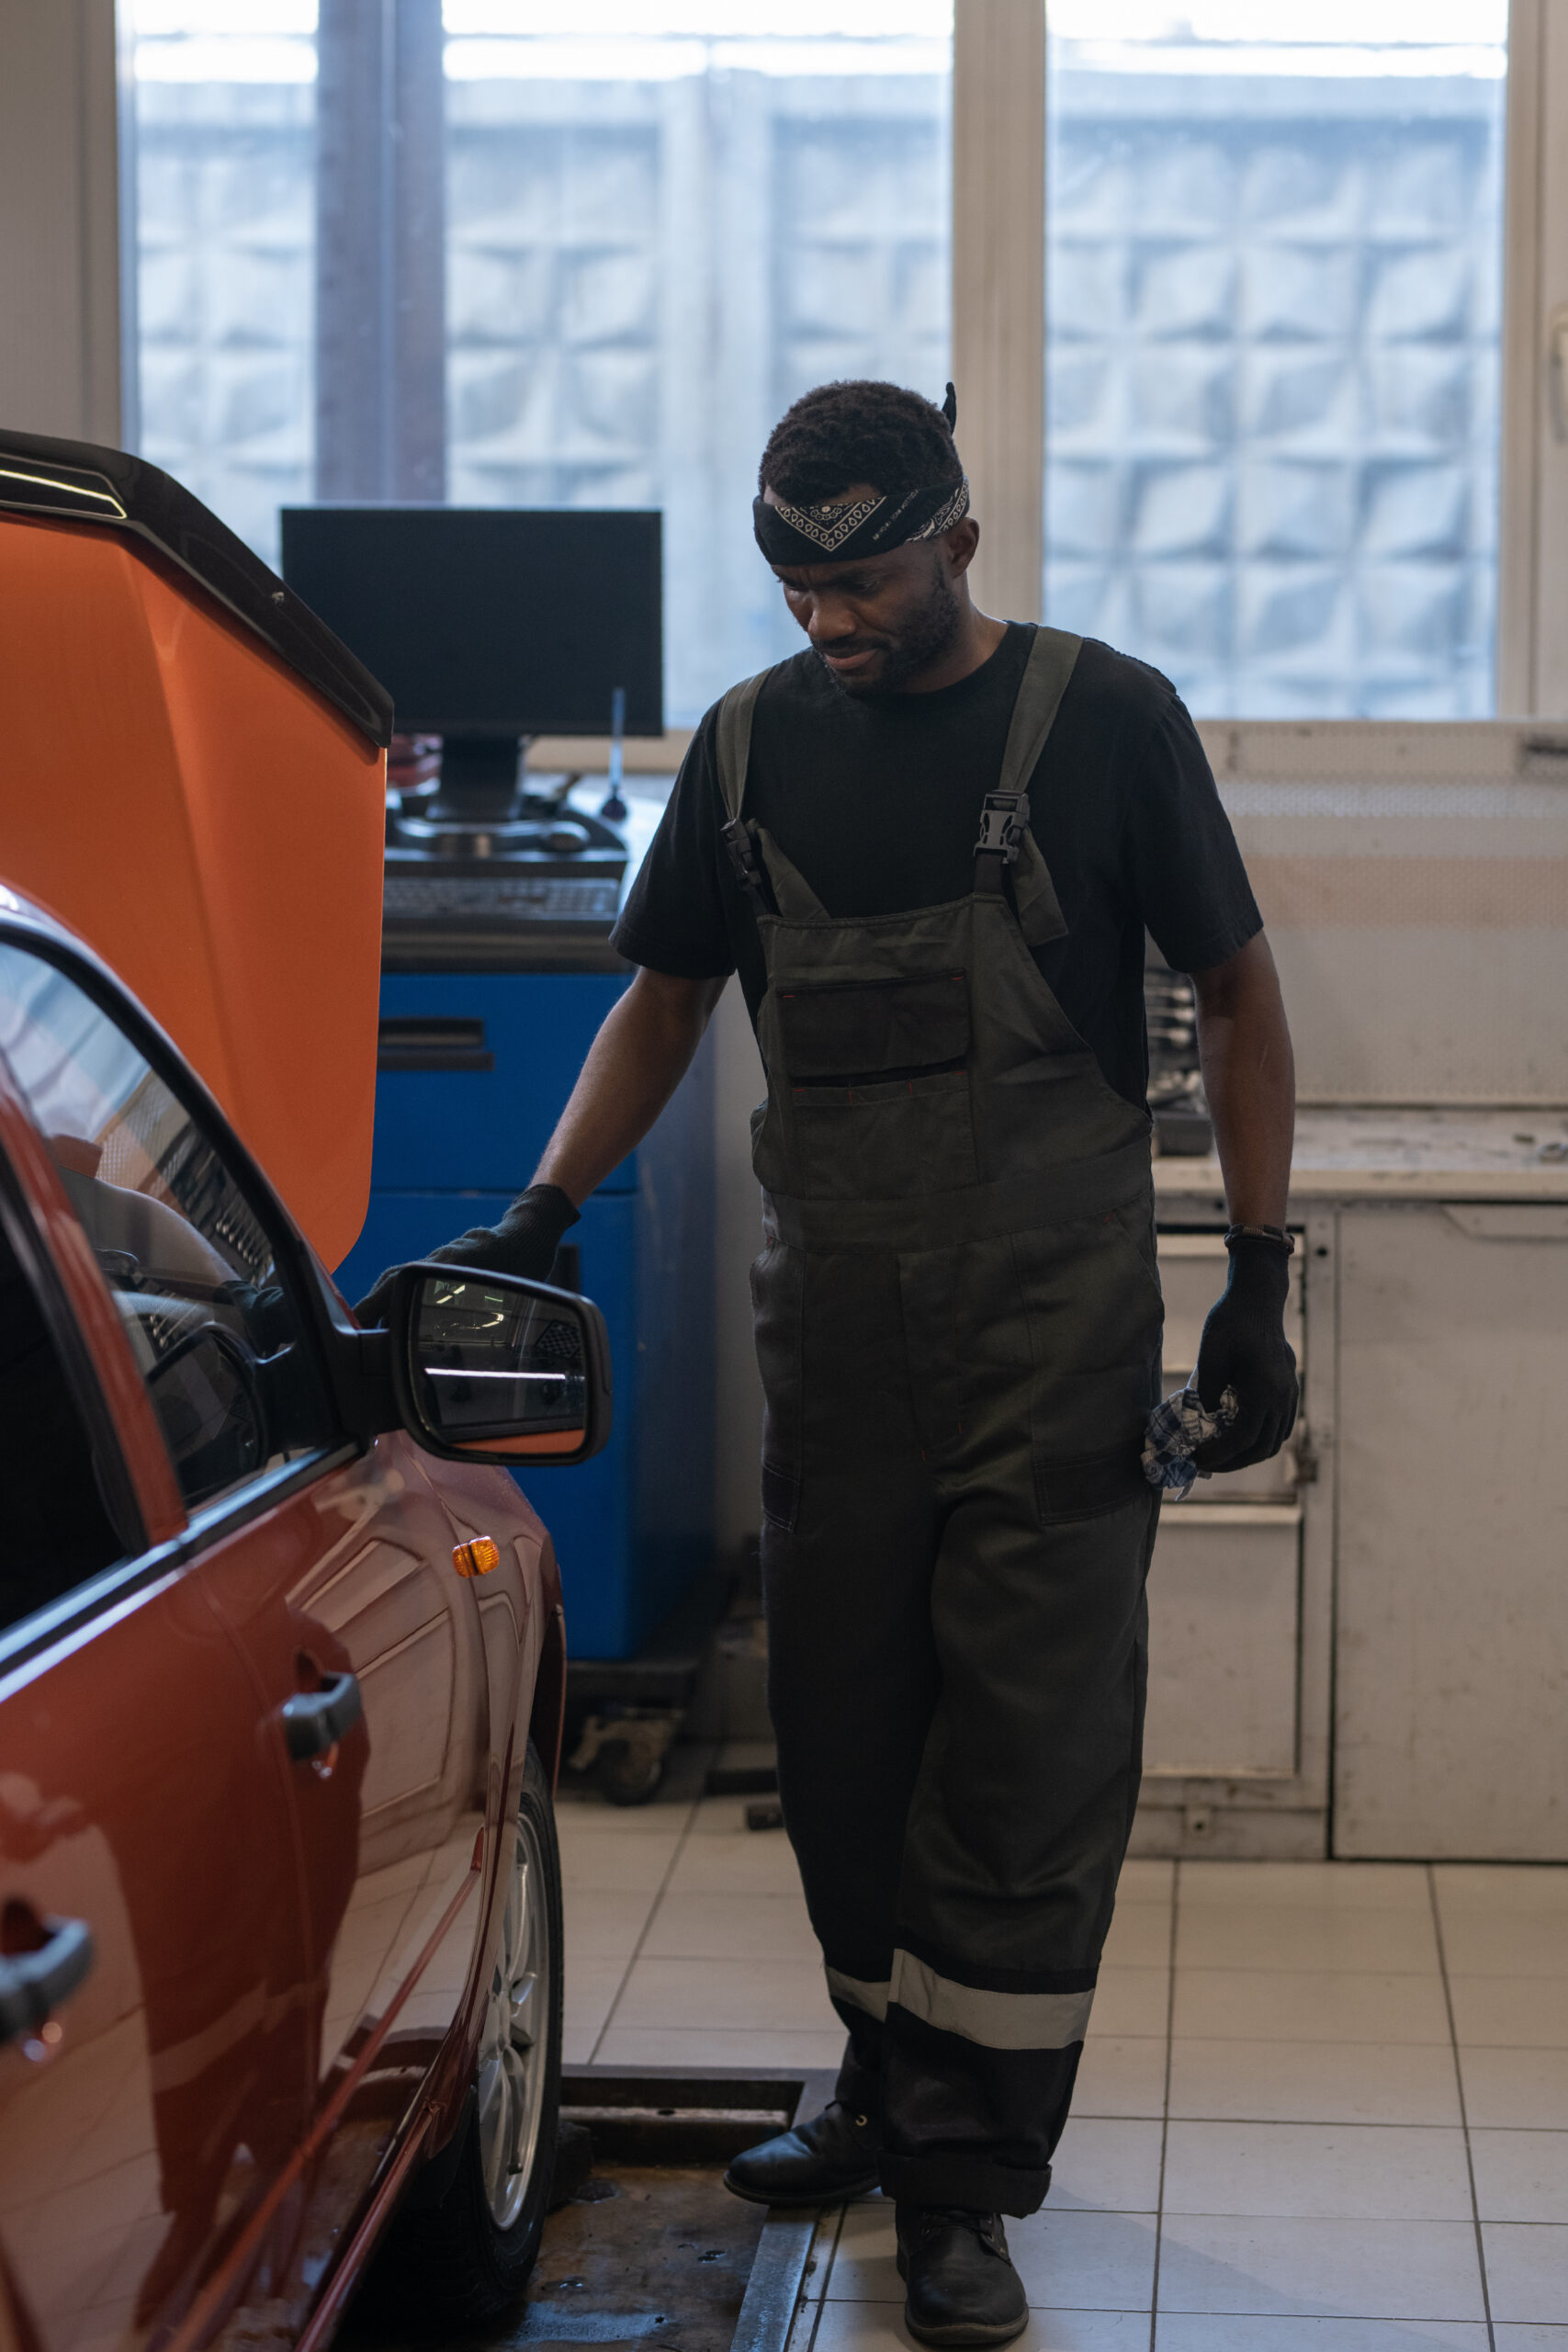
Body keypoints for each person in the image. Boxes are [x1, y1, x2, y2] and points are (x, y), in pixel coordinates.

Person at [360, 379, 1298, 2347]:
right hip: (842, 1349)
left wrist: (1254, 1273)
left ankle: (967, 2180)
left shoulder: (1101, 720)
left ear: (956, 536)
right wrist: (540, 1206)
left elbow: (1232, 986)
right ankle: (883, 2078)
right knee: (847, 1737)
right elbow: (665, 991)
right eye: (793, 585)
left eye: (861, 580)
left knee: (1022, 1757)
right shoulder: (748, 747)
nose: (828, 624)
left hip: (1049, 1346)